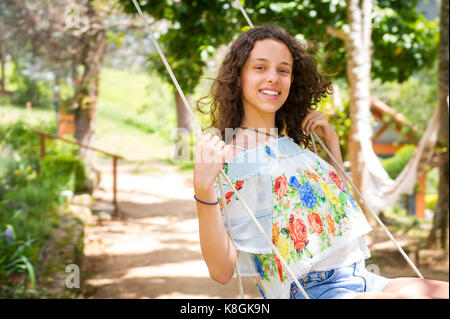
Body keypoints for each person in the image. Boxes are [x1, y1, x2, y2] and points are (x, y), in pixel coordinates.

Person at [193, 24, 448, 299]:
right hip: (310, 290)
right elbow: (221, 271)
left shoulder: (290, 144)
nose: (273, 78)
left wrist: (332, 146)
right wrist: (203, 190)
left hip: (361, 277)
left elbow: (341, 209)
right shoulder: (233, 155)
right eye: (260, 67)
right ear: (239, 76)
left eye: (283, 69)